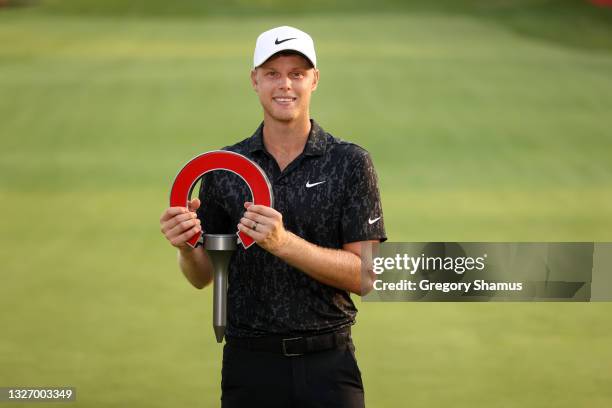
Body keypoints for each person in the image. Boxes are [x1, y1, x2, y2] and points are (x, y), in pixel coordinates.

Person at [160, 26, 386, 408]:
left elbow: (365, 276)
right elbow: (203, 277)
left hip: (329, 363)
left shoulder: (349, 163)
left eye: (297, 73)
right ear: (254, 80)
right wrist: (185, 247)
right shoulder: (225, 168)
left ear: (314, 80)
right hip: (250, 364)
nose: (285, 85)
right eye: (272, 73)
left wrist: (284, 243)